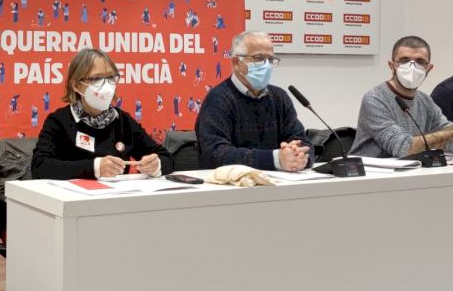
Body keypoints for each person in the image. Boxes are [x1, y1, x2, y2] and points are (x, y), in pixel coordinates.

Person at [31, 48, 173, 179]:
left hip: (116, 196)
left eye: (111, 78)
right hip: (73, 197)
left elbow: (167, 158)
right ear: (76, 85)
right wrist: (95, 168)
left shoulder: (122, 121)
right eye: (97, 78)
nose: (107, 86)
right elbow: (39, 166)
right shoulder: (59, 121)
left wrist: (156, 165)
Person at [350, 35, 453, 158]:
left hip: (412, 173)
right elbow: (404, 148)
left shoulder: (425, 101)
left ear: (428, 68)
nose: (412, 67)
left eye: (420, 61)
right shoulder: (375, 99)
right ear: (392, 66)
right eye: (404, 60)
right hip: (369, 175)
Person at [195, 30, 312, 171]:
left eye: (270, 59)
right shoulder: (218, 99)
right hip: (233, 183)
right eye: (258, 58)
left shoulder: (279, 97)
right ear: (236, 62)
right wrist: (275, 159)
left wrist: (298, 155)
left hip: (278, 181)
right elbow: (215, 154)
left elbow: (303, 141)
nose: (266, 65)